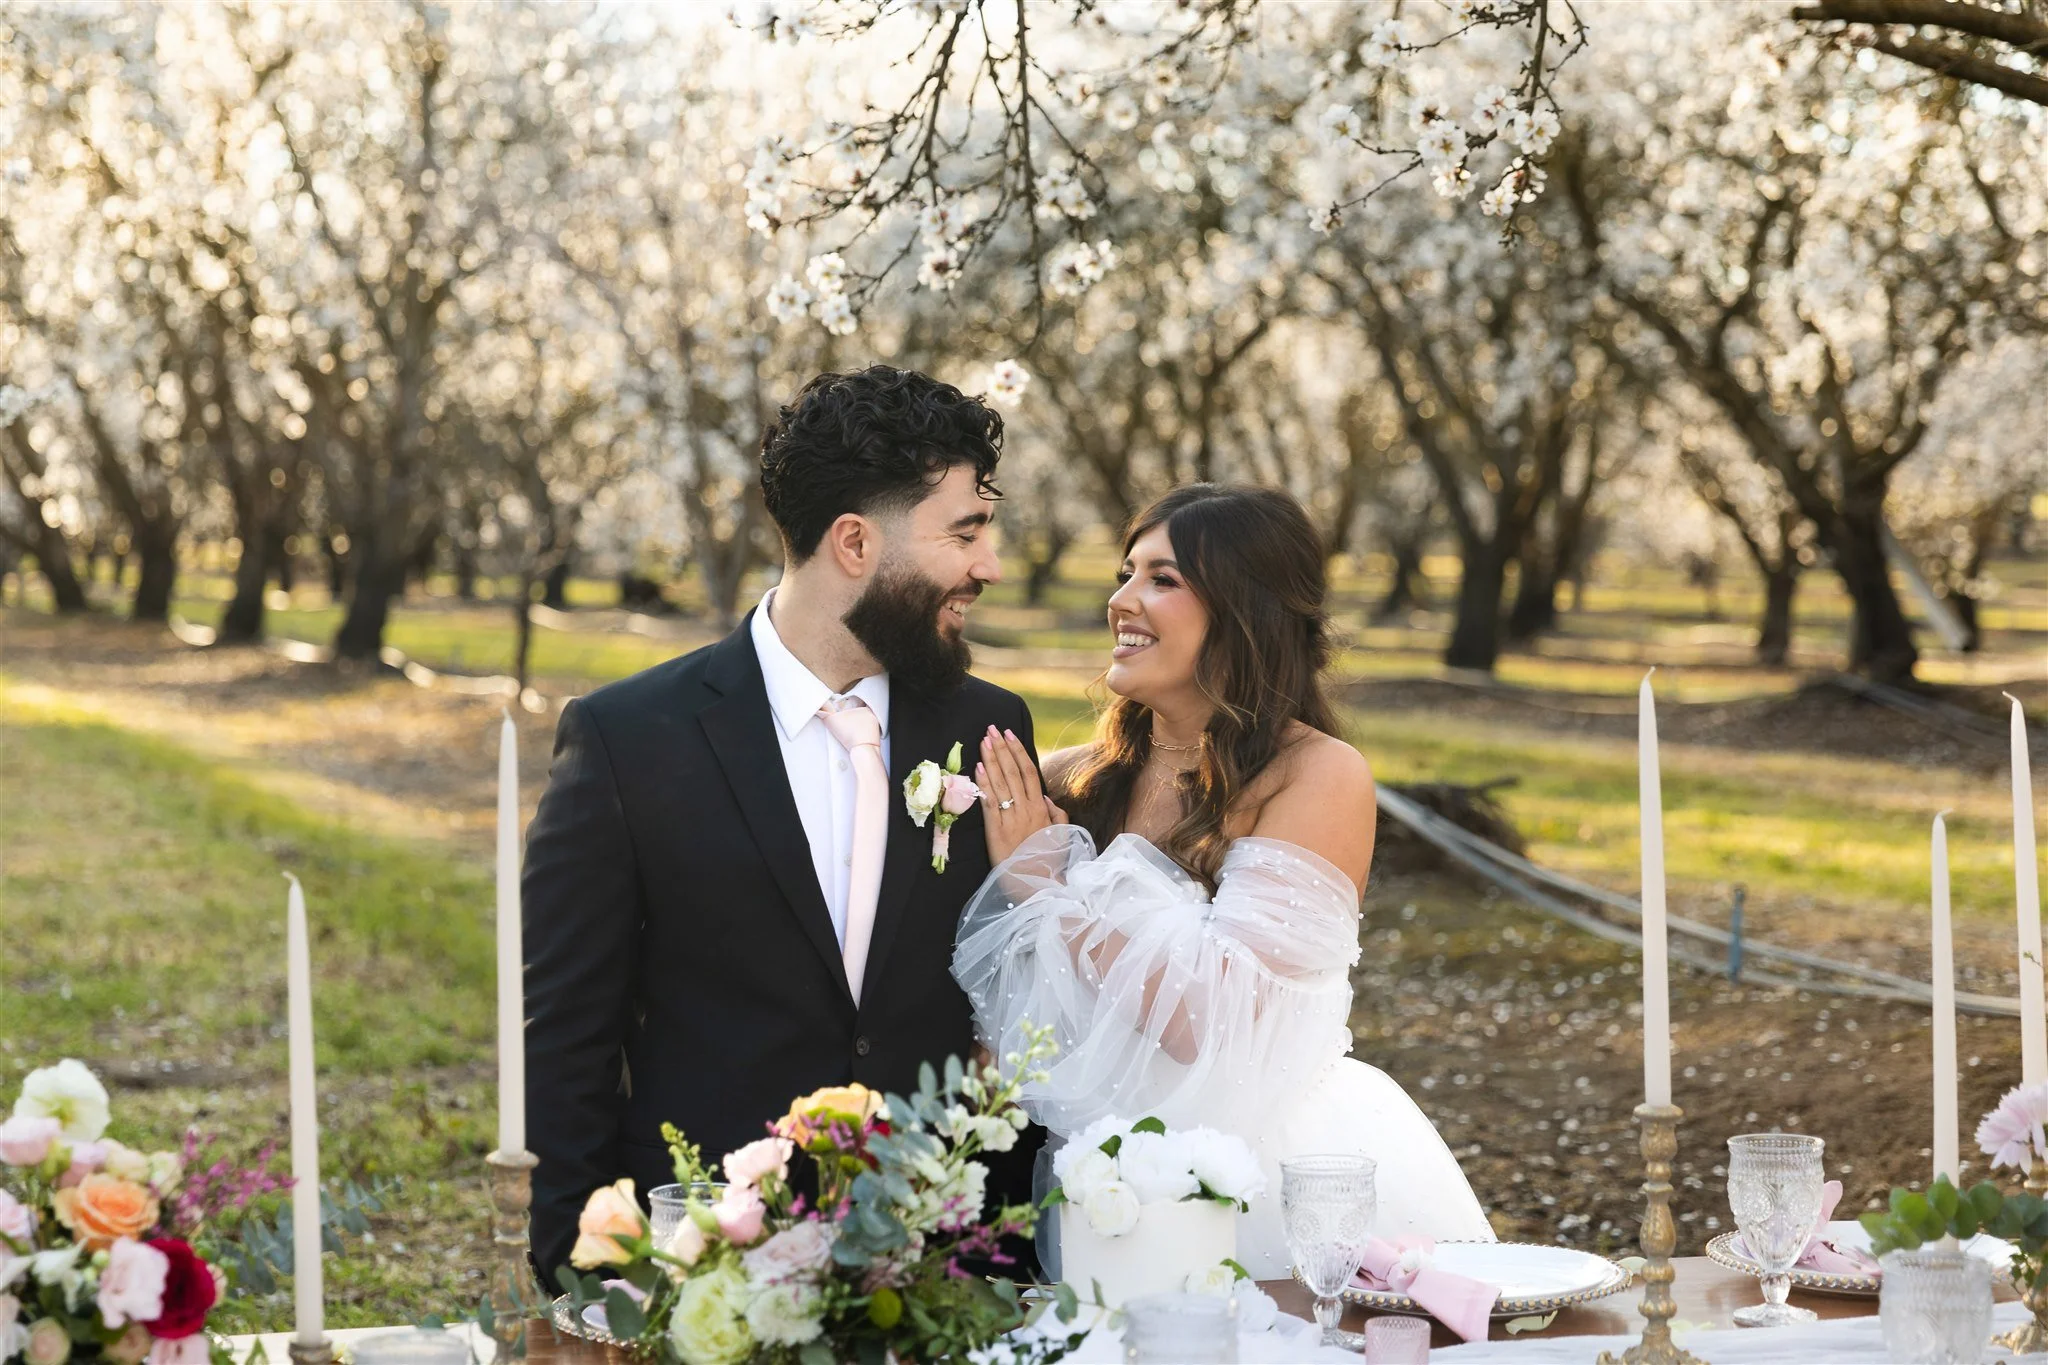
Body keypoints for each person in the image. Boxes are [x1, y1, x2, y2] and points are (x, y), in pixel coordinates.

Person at [521, 365, 1041, 1279]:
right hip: (703, 1266)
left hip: (934, 1266)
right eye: (964, 532)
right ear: (853, 542)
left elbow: (1005, 998)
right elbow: (566, 1040)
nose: (988, 566)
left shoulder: (986, 730)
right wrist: (587, 1273)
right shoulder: (625, 739)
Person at [954, 483, 1493, 1276]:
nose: (1122, 601)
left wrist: (1048, 891)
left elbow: (1211, 1020)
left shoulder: (1315, 776)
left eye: (1162, 580)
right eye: (1126, 572)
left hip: (1258, 1180)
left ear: (1247, 610)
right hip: (1088, 1181)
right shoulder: (1065, 783)